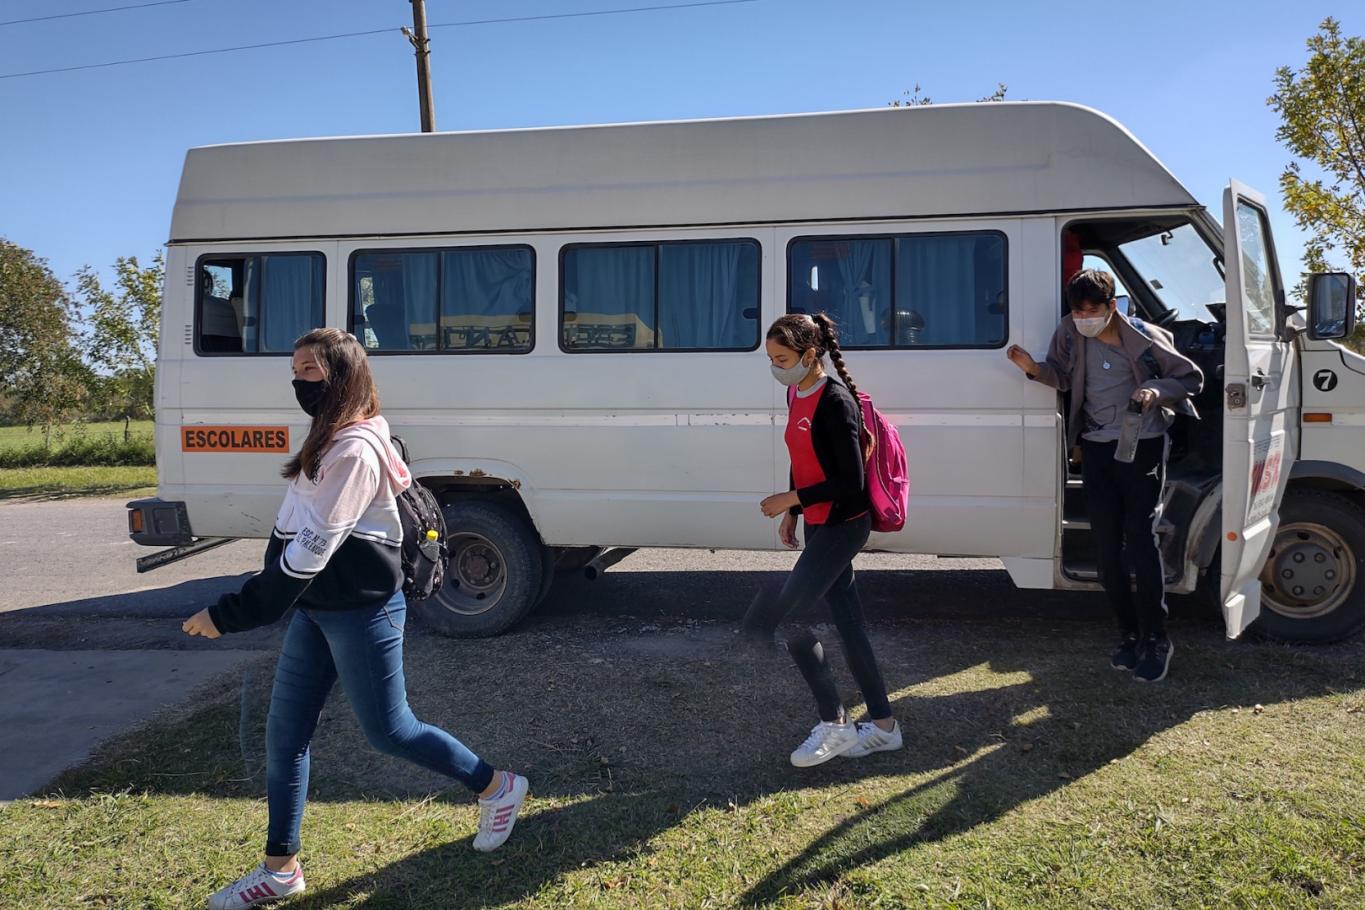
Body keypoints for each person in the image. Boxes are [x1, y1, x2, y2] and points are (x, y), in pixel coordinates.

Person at [183, 328, 528, 909]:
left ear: (341, 377)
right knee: (284, 735)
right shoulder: (330, 437)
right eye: (294, 371)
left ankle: (498, 787)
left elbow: (306, 556)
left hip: (360, 611)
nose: (298, 381)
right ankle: (281, 868)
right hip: (316, 610)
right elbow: (293, 533)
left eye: (310, 372)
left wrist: (228, 614)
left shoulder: (354, 451)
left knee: (390, 731)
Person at [1007, 269, 1203, 683]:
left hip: (1143, 444)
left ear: (1112, 307)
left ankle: (1157, 638)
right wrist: (1031, 369)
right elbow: (1061, 377)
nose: (1084, 317)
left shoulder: (1144, 336)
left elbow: (1190, 379)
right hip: (1096, 447)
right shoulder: (1070, 332)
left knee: (1141, 537)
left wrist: (1155, 391)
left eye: (1092, 310)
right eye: (1077, 310)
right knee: (1106, 545)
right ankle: (1129, 635)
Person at [743, 313, 901, 767]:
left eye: (783, 358)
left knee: (786, 617)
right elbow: (803, 457)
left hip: (844, 524)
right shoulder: (797, 391)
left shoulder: (835, 401)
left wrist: (788, 497)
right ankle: (885, 728)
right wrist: (794, 512)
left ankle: (835, 725)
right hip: (817, 523)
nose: (776, 368)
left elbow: (850, 481)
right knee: (849, 624)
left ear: (811, 355)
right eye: (771, 359)